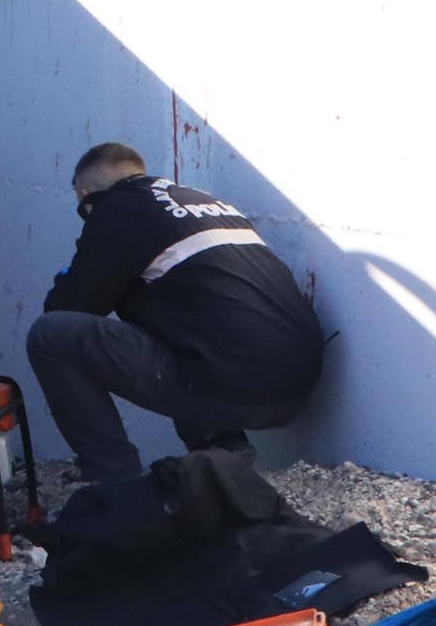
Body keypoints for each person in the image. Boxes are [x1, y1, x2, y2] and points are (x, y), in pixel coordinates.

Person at [27, 142, 326, 483]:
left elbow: (69, 306)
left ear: (84, 194)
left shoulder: (115, 209)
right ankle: (222, 451)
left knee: (50, 336)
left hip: (240, 388)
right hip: (298, 387)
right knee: (186, 315)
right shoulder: (203, 201)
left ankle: (111, 477)